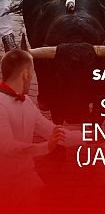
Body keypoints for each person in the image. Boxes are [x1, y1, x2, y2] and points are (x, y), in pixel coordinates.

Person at [0, 49, 83, 210]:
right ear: (25, 74)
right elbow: (7, 147)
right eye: (32, 73)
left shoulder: (27, 103)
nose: (32, 78)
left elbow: (59, 135)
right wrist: (46, 147)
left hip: (27, 187)